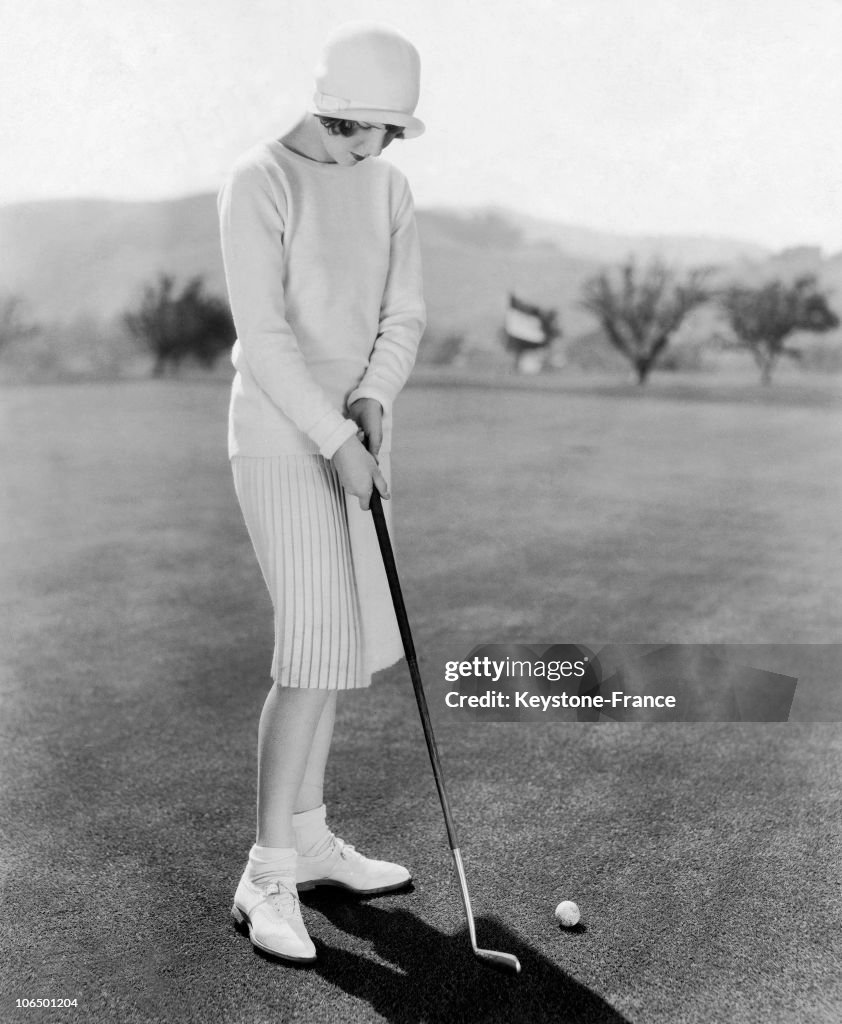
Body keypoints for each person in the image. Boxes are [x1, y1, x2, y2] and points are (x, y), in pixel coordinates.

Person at [217, 22, 426, 964]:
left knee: (339, 649)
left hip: (351, 432)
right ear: (326, 107)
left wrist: (375, 396)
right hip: (277, 436)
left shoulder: (389, 188)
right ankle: (265, 875)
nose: (366, 148)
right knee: (309, 651)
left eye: (381, 133)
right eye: (354, 128)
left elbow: (403, 311)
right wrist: (337, 433)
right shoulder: (258, 180)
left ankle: (306, 837)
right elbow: (264, 338)